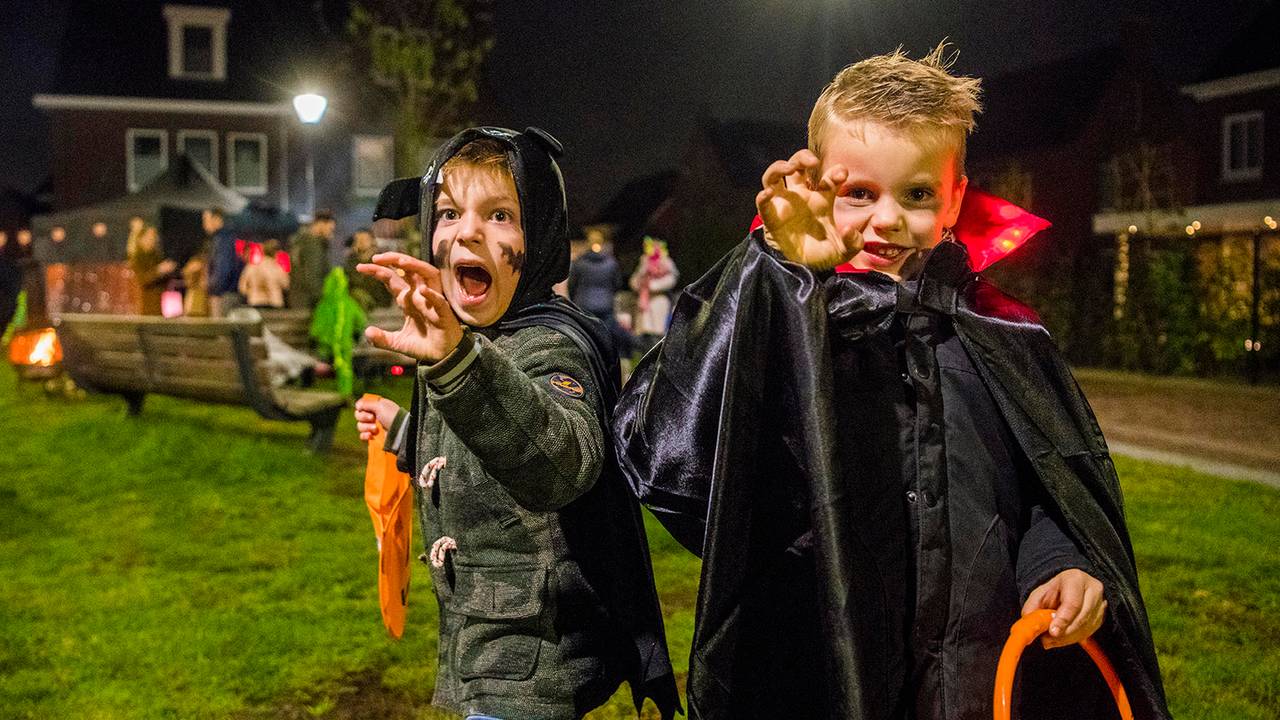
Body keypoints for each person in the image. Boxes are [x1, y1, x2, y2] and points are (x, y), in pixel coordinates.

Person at [614, 46, 1170, 720]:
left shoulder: (999, 333)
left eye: (916, 193)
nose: (886, 218)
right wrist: (773, 272)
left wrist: (1060, 561)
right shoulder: (786, 326)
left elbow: (1046, 488)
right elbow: (673, 450)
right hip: (817, 678)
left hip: (969, 682)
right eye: (858, 192)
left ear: (955, 198)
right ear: (818, 185)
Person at [354, 127, 679, 720]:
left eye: (500, 214)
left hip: (532, 660)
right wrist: (405, 433)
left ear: (542, 238)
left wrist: (456, 363)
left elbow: (558, 460)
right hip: (486, 648)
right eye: (449, 212)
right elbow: (480, 448)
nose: (468, 231)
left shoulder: (551, 345)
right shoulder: (470, 337)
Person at [567, 234, 632, 357]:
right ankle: (605, 360)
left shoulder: (580, 263)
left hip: (583, 303)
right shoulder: (611, 263)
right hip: (605, 305)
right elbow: (617, 283)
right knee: (605, 336)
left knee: (586, 336)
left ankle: (588, 358)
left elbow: (572, 284)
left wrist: (575, 298)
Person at [627, 236, 677, 349]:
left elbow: (671, 279)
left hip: (658, 301)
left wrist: (653, 285)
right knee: (643, 336)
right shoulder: (644, 261)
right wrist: (640, 281)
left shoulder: (666, 262)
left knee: (656, 335)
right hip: (644, 301)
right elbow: (634, 280)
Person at [288, 210, 336, 310]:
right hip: (310, 302)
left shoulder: (300, 242)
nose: (331, 233)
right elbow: (313, 273)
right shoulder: (313, 245)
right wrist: (323, 298)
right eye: (330, 229)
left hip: (298, 298)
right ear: (320, 224)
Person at [127, 224, 175, 316]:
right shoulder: (137, 259)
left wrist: (168, 271)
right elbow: (143, 280)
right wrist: (159, 270)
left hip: (159, 306)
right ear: (140, 239)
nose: (153, 239)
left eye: (154, 236)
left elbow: (165, 282)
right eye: (149, 236)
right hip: (145, 307)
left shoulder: (157, 257)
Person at [203, 207, 241, 317]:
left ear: (217, 218)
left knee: (222, 329)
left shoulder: (223, 240)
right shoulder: (225, 237)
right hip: (226, 294)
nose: (204, 224)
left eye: (206, 219)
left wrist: (213, 289)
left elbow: (223, 269)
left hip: (223, 296)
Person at [344, 227, 392, 310]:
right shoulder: (351, 261)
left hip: (379, 305)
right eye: (358, 240)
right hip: (357, 305)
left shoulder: (381, 261)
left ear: (372, 241)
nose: (361, 242)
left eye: (364, 239)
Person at [238, 239, 290, 309]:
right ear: (275, 252)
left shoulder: (251, 267)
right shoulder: (277, 267)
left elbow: (242, 288)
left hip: (255, 301)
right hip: (274, 302)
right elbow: (286, 285)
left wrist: (252, 292)